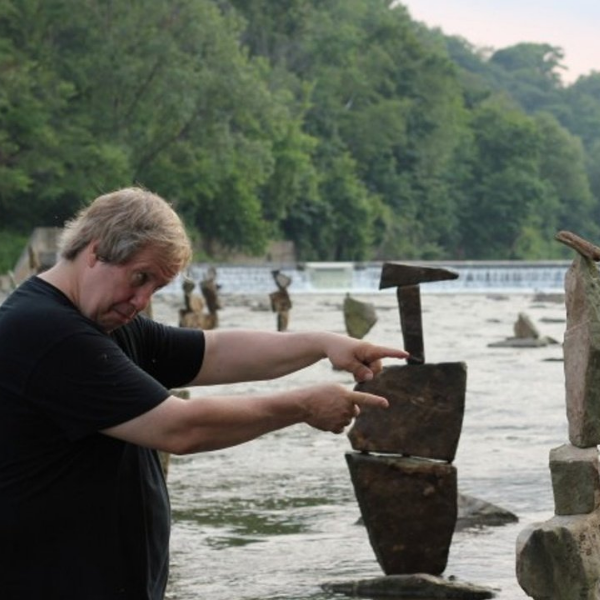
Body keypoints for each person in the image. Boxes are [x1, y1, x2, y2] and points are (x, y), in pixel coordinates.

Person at [0, 187, 408, 600]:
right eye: (139, 277)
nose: (141, 301)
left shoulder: (100, 324)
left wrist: (324, 343)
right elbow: (181, 429)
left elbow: (212, 352)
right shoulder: (45, 332)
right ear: (96, 250)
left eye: (155, 289)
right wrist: (302, 406)